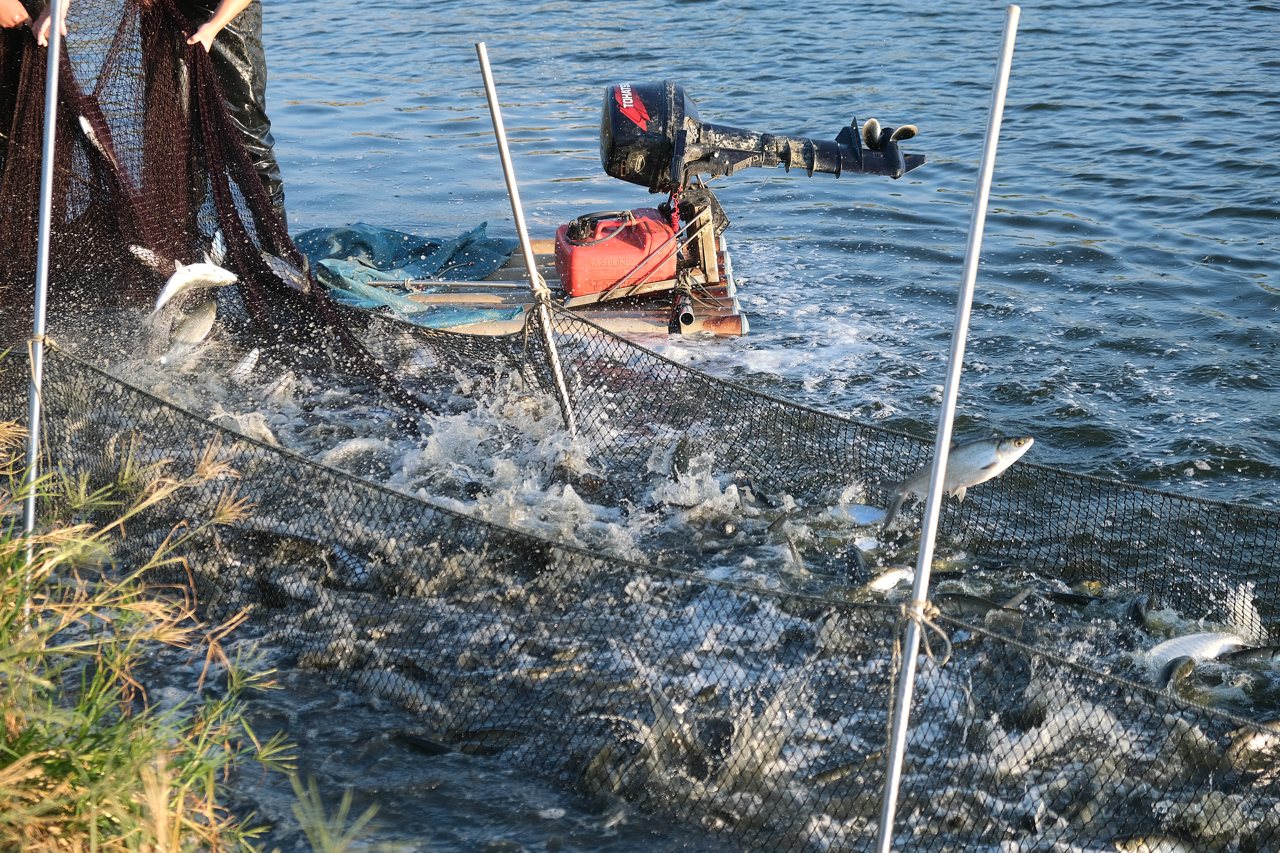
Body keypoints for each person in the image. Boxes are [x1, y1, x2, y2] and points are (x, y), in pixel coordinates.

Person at [177, 0, 287, 228]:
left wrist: (213, 26)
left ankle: (276, 243)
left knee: (249, 141)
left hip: (230, 31)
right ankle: (189, 239)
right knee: (182, 143)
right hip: (175, 27)